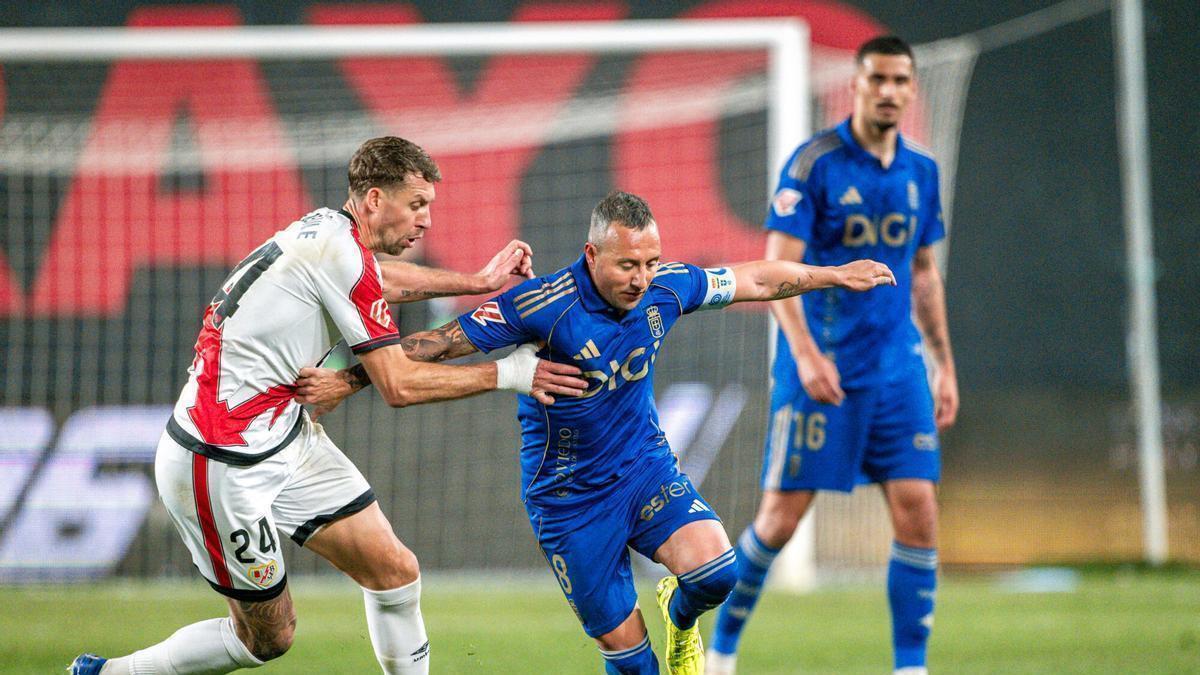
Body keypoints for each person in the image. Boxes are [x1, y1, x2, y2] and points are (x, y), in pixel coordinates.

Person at [298, 190, 895, 674]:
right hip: (568, 500)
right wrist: (348, 381)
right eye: (627, 264)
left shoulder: (669, 287)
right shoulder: (541, 304)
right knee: (634, 667)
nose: (641, 279)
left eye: (650, 262)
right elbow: (438, 343)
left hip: (642, 469)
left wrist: (832, 273)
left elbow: (755, 280)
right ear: (591, 255)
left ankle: (680, 617)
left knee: (717, 574)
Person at [70, 136, 587, 675]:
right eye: (416, 205)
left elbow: (378, 276)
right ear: (373, 199)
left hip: (285, 435)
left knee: (394, 570)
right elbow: (400, 386)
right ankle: (107, 674)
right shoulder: (338, 251)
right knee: (267, 639)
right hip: (220, 460)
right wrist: (511, 373)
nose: (427, 220)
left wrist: (477, 282)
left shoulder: (328, 231)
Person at [707, 36, 960, 675]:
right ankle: (720, 650)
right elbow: (778, 269)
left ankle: (911, 667)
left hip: (898, 369)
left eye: (901, 80)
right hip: (822, 368)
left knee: (919, 509)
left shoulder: (921, 171)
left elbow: (924, 273)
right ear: (857, 84)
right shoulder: (814, 163)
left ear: (911, 89)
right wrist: (806, 354)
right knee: (780, 522)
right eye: (878, 79)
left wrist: (943, 363)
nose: (889, 91)